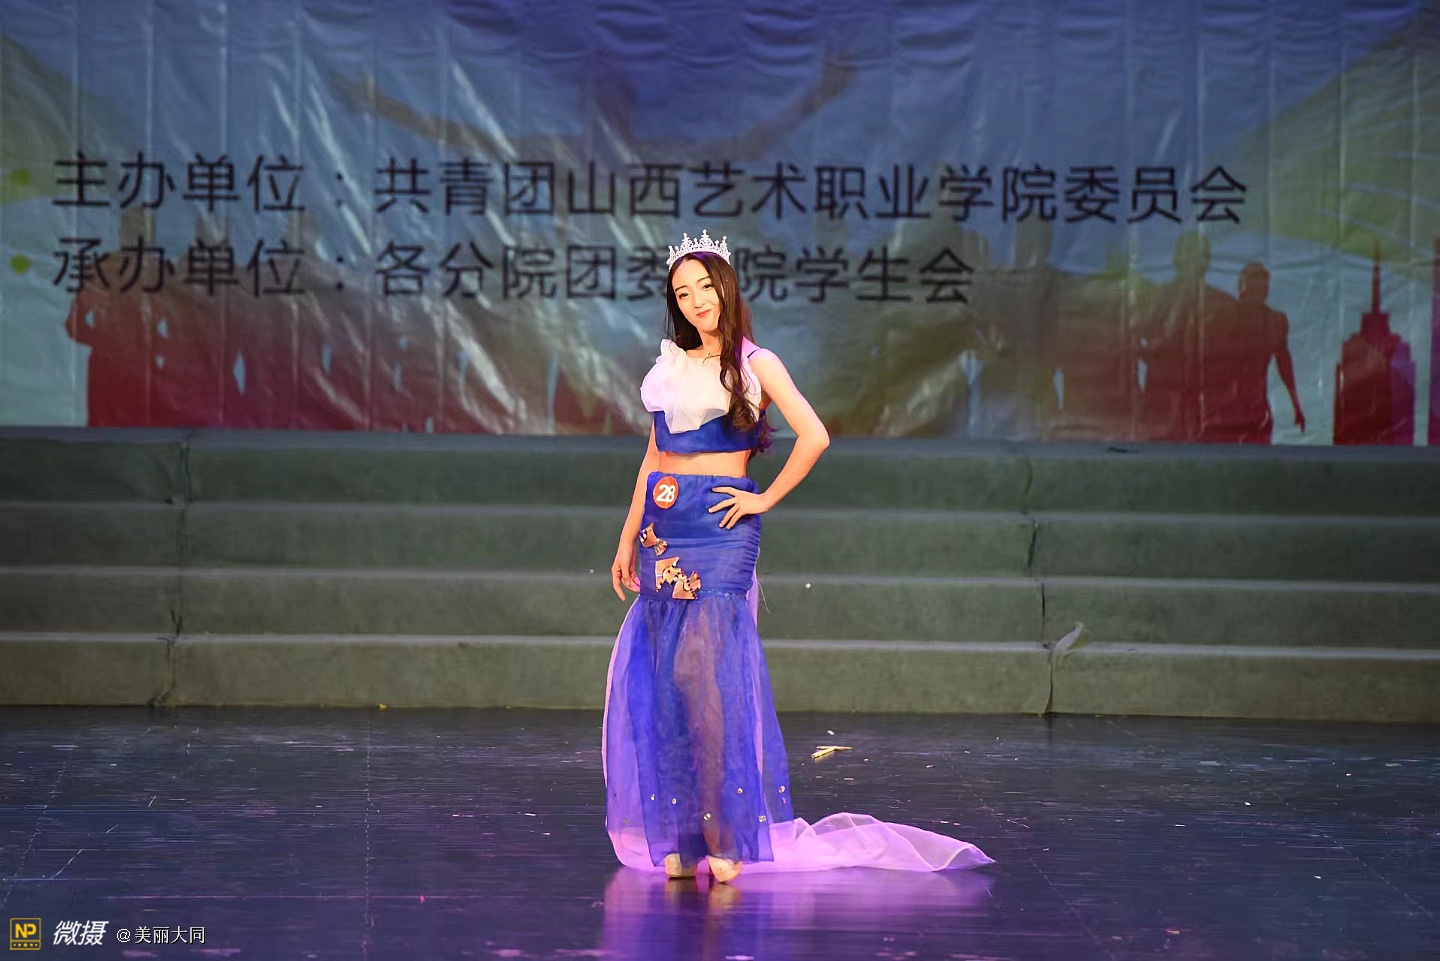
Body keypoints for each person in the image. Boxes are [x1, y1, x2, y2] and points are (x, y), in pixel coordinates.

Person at [603, 230, 993, 884]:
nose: (695, 301)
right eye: (682, 292)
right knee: (666, 674)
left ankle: (725, 833)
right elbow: (654, 456)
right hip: (665, 526)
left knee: (704, 672)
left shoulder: (757, 363)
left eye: (704, 287)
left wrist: (763, 498)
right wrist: (626, 535)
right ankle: (682, 834)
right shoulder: (670, 365)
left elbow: (814, 435)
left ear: (725, 288)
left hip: (721, 528)